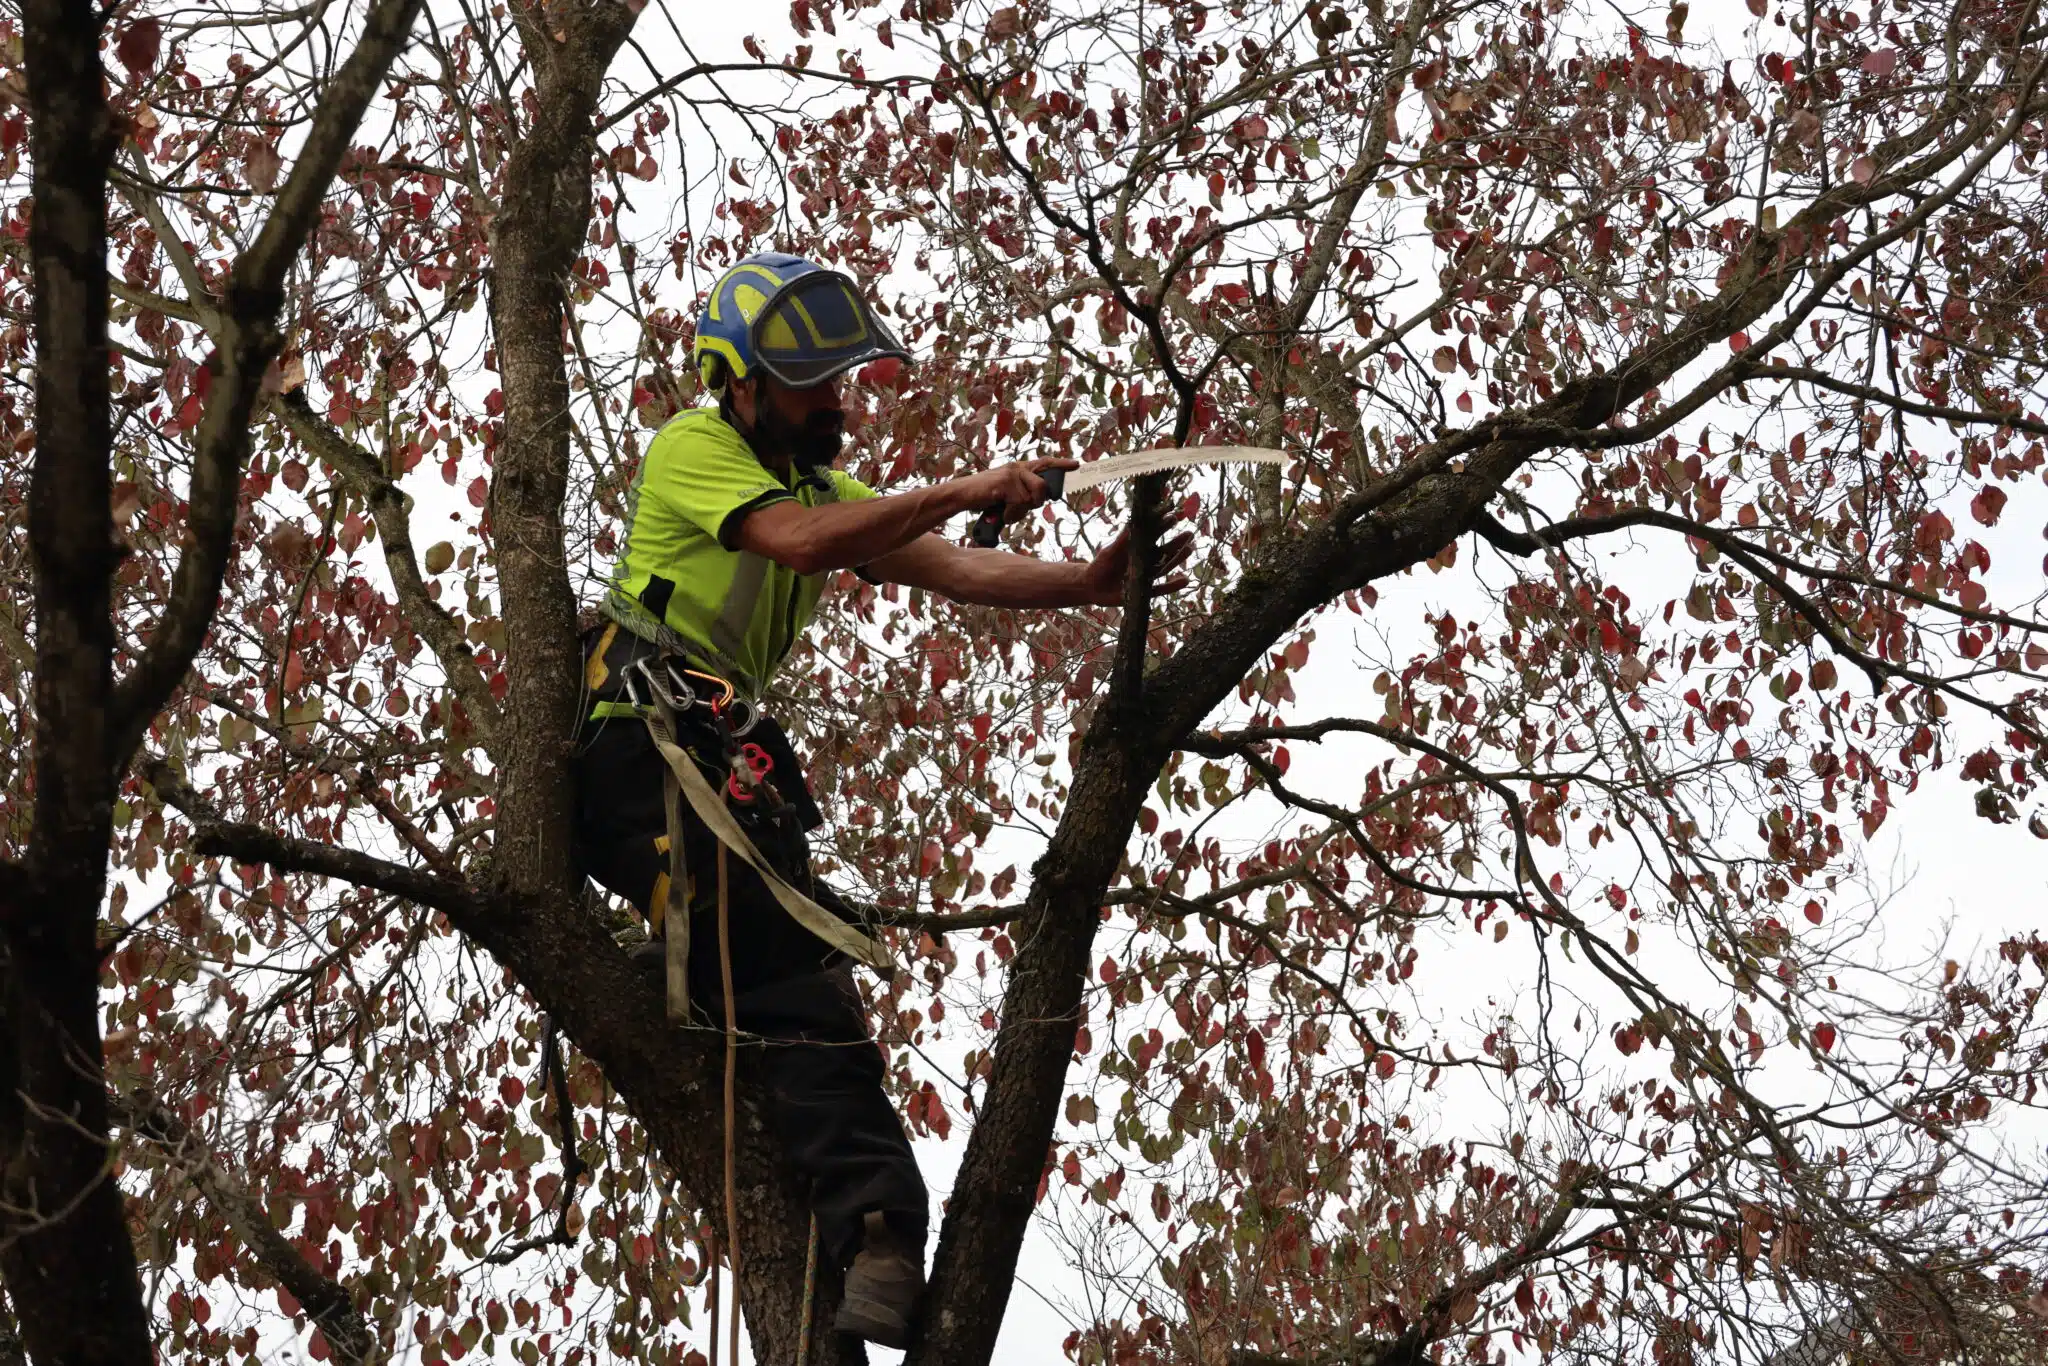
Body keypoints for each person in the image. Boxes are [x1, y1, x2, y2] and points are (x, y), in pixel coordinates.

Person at [572, 251, 1190, 1348]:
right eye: (812, 385)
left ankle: (833, 1219)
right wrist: (961, 481)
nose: (835, 405)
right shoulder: (695, 449)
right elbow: (799, 544)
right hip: (646, 750)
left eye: (838, 382)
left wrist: (1085, 588)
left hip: (711, 759)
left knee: (778, 982)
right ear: (744, 384)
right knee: (793, 980)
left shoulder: (821, 488)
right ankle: (880, 1228)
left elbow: (945, 565)